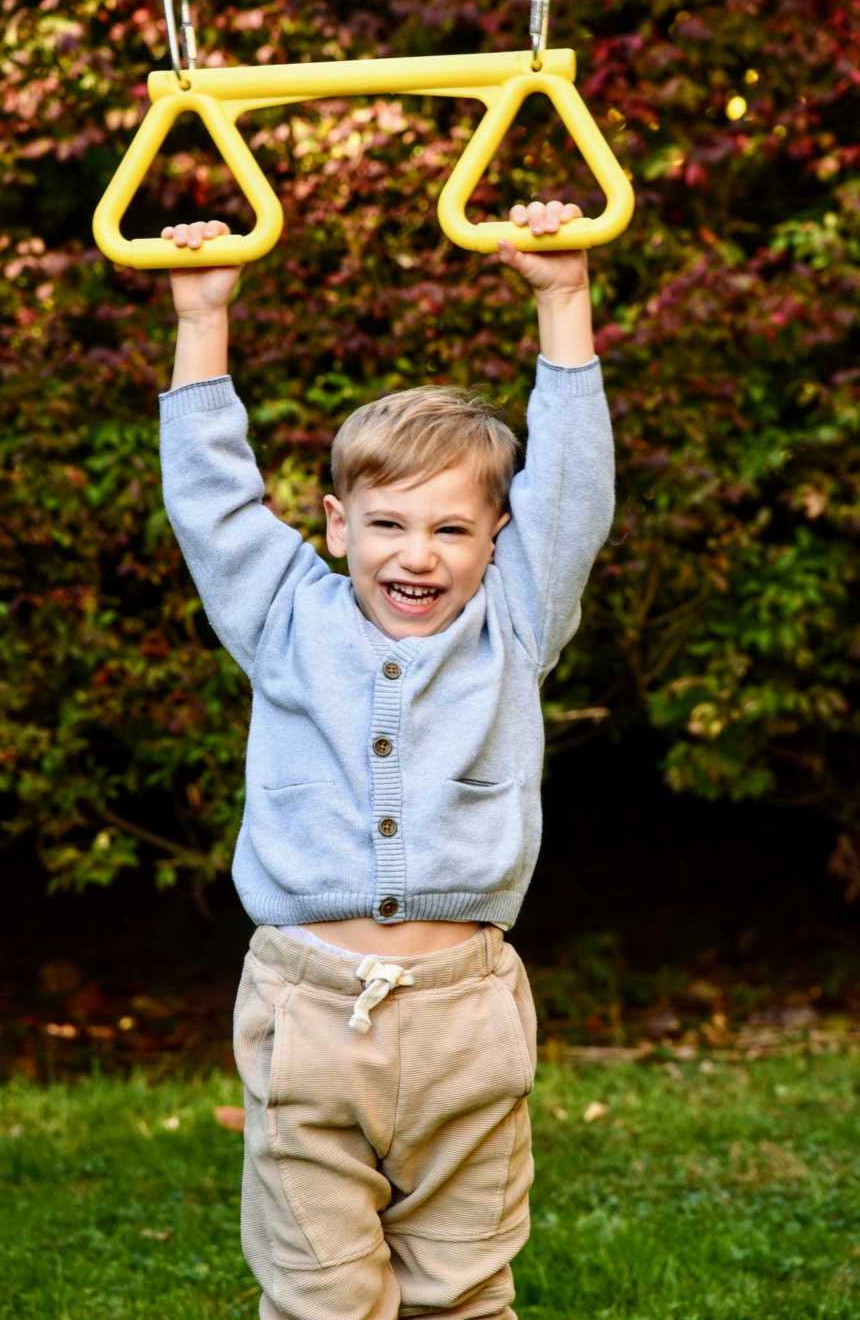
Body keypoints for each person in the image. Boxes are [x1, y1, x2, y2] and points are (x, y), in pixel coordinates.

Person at [158, 199, 615, 1319]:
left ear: (497, 542)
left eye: (454, 530)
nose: (419, 554)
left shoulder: (513, 624)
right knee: (322, 1293)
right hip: (308, 1015)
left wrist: (564, 295)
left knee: (462, 1287)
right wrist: (202, 316)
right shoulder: (283, 616)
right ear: (334, 524)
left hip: (466, 1019)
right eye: (389, 524)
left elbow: (570, 490)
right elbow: (213, 500)